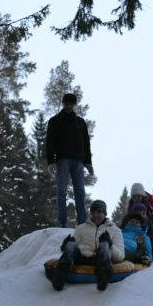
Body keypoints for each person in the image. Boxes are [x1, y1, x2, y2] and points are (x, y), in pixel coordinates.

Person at [51, 199, 124, 292]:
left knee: (105, 244)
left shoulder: (115, 230)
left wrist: (110, 244)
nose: (95, 215)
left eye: (99, 212)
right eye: (93, 212)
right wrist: (66, 245)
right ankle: (59, 277)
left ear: (105, 213)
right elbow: (71, 249)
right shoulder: (81, 227)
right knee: (71, 244)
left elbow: (120, 257)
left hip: (100, 259)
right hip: (81, 258)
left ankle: (103, 278)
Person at [46, 93, 93, 227]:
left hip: (78, 160)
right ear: (63, 103)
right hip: (62, 160)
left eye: (71, 103)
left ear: (74, 105)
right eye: (66, 103)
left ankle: (82, 221)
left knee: (80, 192)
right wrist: (51, 161)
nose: (68, 105)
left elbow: (86, 142)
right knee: (61, 191)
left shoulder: (80, 122)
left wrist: (88, 162)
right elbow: (50, 142)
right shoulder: (54, 121)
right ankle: (62, 220)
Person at [127, 183, 153, 255]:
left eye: (139, 197)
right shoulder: (131, 205)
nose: (136, 199)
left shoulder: (152, 203)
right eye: (134, 197)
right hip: (144, 229)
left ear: (142, 196)